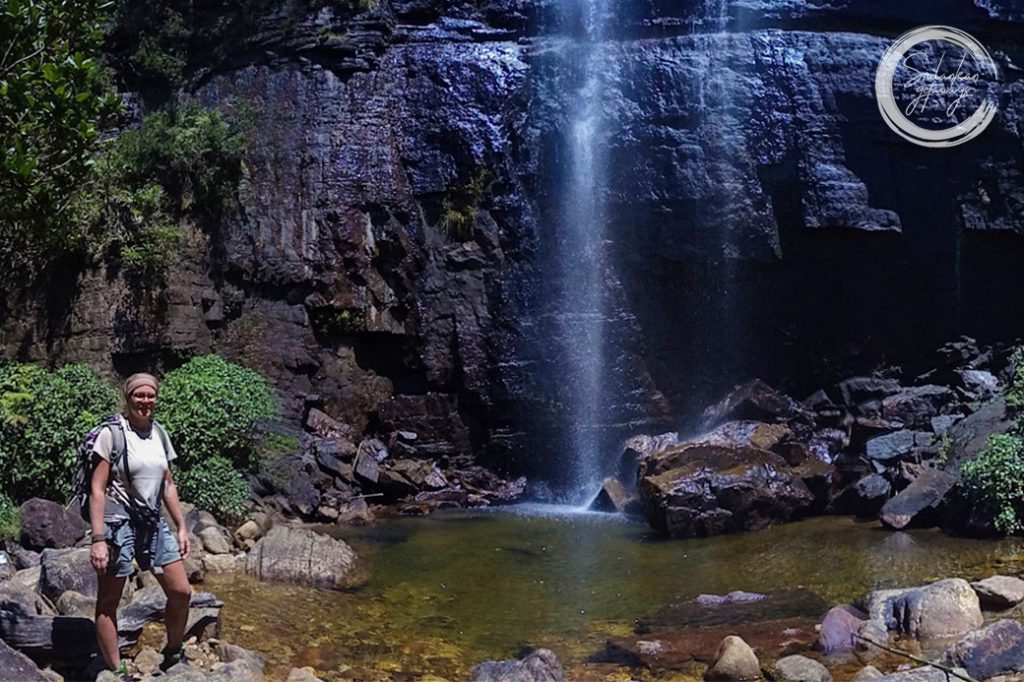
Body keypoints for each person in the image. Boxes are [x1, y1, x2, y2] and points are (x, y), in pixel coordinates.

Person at [88, 373, 192, 679]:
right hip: (117, 524)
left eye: (150, 395)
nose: (145, 401)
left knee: (182, 592)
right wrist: (97, 539)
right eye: (139, 395)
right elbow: (97, 489)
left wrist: (181, 526)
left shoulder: (159, 433)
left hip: (152, 522)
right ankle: (115, 668)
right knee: (109, 600)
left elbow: (168, 484)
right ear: (128, 397)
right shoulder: (112, 434)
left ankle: (174, 651)